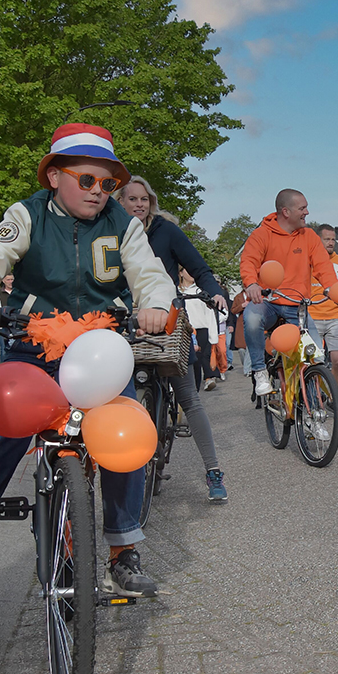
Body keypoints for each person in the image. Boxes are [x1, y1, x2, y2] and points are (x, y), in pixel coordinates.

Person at [0, 123, 176, 632]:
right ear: (55, 176)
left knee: (125, 430)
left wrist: (156, 304)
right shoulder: (27, 214)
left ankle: (122, 552)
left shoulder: (123, 224)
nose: (98, 192)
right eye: (86, 180)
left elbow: (149, 273)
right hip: (32, 344)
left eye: (107, 184)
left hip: (100, 349)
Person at [117, 176, 230, 502]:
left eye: (144, 199)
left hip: (166, 320)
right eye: (132, 199)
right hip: (124, 321)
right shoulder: (111, 230)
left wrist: (215, 293)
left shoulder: (165, 231)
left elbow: (199, 267)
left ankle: (213, 470)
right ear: (120, 202)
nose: (139, 204)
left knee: (189, 398)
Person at [240, 189, 337, 397]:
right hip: (269, 302)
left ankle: (314, 409)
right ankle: (259, 371)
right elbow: (249, 261)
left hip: (297, 305)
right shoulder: (261, 235)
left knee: (316, 356)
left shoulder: (309, 236)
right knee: (252, 318)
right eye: (302, 208)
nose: (307, 212)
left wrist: (331, 287)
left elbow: (323, 266)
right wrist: (252, 284)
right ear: (286, 211)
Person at [307, 224, 338, 387]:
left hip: (334, 316)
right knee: (314, 362)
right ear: (318, 240)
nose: (331, 243)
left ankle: (333, 395)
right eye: (327, 239)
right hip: (312, 317)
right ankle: (315, 396)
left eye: (333, 239)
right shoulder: (308, 260)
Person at [180, 267, 218, 392]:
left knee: (197, 361)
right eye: (187, 270)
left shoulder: (201, 291)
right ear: (181, 273)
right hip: (183, 330)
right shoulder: (176, 292)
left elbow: (210, 314)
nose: (191, 273)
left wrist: (213, 337)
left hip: (201, 330)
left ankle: (196, 390)